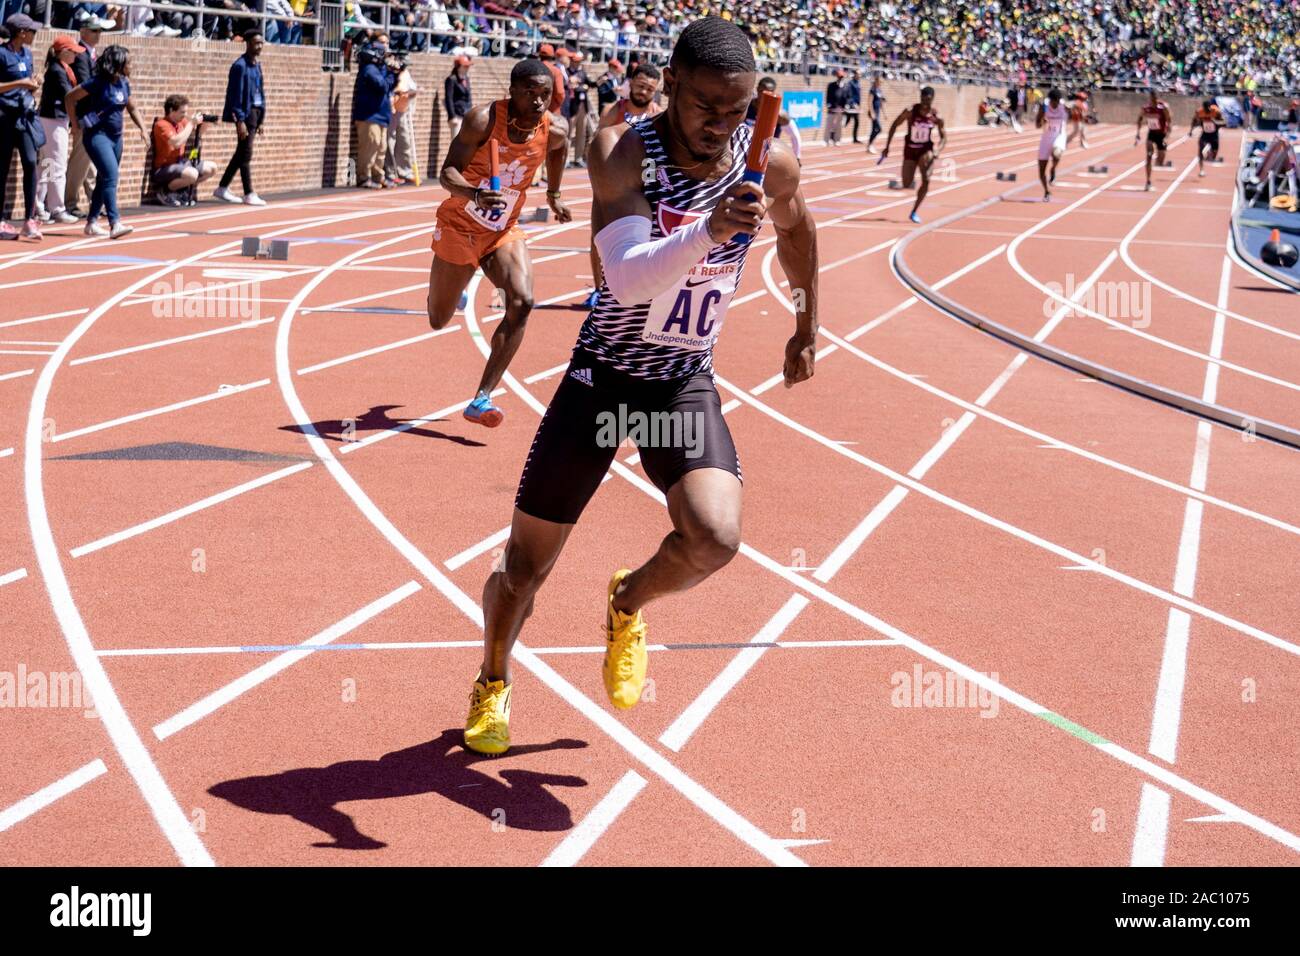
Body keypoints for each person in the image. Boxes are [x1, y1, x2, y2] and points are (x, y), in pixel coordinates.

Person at [461, 17, 818, 756]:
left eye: (739, 109)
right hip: (604, 384)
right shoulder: (623, 151)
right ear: (673, 83)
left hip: (679, 384)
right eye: (707, 107)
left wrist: (807, 323)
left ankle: (628, 601)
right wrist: (712, 231)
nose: (723, 125)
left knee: (715, 537)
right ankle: (493, 682)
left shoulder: (769, 164)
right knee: (526, 567)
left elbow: (796, 230)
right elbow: (622, 280)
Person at [425, 58, 571, 431]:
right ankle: (458, 282)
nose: (538, 102)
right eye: (530, 94)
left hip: (502, 229)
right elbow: (446, 173)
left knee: (523, 301)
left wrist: (553, 194)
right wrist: (473, 194)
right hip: (460, 225)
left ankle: (482, 397)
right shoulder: (483, 120)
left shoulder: (553, 129)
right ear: (512, 92)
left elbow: (559, 150)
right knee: (438, 320)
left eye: (545, 95)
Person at [585, 61, 663, 307]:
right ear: (630, 84)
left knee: (647, 237)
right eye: (639, 86)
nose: (643, 92)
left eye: (649, 89)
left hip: (644, 183)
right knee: (598, 237)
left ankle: (639, 289)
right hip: (612, 182)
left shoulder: (658, 113)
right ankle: (599, 289)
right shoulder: (613, 110)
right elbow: (597, 144)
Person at [64, 44, 148, 240]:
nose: (131, 66)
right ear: (118, 64)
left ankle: (92, 222)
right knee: (111, 175)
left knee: (104, 179)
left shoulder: (124, 83)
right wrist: (74, 124)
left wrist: (143, 128)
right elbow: (70, 97)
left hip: (116, 138)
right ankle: (114, 222)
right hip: (97, 136)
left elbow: (132, 108)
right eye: (129, 63)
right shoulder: (97, 83)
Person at [36, 34, 86, 226]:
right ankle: (57, 208)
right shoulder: (57, 70)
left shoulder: (63, 68)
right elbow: (69, 95)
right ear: (64, 52)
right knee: (56, 165)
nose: (76, 55)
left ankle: (40, 206)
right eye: (73, 52)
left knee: (47, 164)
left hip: (55, 120)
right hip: (53, 121)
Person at [0, 12, 42, 240]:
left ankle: (29, 219)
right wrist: (19, 83)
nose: (34, 35)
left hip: (24, 117)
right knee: (2, 168)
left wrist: (33, 84)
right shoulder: (2, 54)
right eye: (31, 31)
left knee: (30, 162)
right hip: (4, 118)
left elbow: (26, 86)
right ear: (21, 33)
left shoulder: (27, 54)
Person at [214, 29, 266, 206]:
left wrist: (261, 120)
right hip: (246, 113)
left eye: (261, 43)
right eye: (255, 43)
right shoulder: (240, 66)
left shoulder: (257, 65)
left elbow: (260, 92)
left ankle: (222, 188)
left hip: (256, 113)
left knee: (241, 153)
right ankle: (249, 192)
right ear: (248, 43)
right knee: (246, 154)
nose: (259, 46)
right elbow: (235, 95)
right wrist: (240, 120)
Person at [880, 85, 946, 224]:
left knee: (926, 180)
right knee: (907, 183)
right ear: (920, 98)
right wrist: (887, 146)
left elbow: (944, 137)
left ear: (932, 99)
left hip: (925, 149)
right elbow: (894, 125)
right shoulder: (910, 111)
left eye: (928, 100)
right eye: (923, 99)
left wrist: (937, 150)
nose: (925, 103)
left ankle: (914, 211)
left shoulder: (936, 117)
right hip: (910, 149)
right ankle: (912, 183)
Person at [64, 12, 104, 218]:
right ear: (83, 32)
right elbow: (86, 85)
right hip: (84, 115)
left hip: (92, 115)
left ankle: (95, 200)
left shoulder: (93, 54)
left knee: (88, 162)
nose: (99, 35)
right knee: (80, 161)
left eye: (100, 31)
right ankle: (69, 202)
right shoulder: (80, 55)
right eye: (95, 31)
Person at [151, 94, 216, 206]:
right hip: (163, 168)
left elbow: (198, 133)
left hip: (181, 164)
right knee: (192, 174)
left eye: (186, 112)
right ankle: (165, 191)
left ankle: (180, 191)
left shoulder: (182, 122)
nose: (185, 115)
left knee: (212, 168)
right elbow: (176, 142)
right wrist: (191, 123)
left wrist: (205, 121)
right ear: (172, 110)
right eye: (182, 112)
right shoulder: (161, 125)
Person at [351, 33, 398, 189]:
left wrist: (394, 71)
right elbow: (381, 85)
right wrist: (391, 74)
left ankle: (378, 176)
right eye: (381, 45)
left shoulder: (381, 68)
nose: (384, 49)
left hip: (382, 114)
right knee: (370, 147)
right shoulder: (369, 68)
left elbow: (390, 85)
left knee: (381, 148)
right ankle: (364, 177)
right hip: (369, 115)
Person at [385, 54, 418, 185]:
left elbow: (413, 89)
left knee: (404, 141)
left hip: (402, 110)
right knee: (389, 142)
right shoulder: (389, 73)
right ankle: (391, 173)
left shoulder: (405, 74)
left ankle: (405, 171)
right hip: (391, 110)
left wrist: (407, 93)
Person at [1136, 89, 1171, 191]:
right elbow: (1139, 119)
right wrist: (1138, 133)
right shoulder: (1146, 108)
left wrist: (1167, 136)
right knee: (1149, 155)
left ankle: (1158, 161)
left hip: (1161, 135)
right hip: (1152, 134)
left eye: (1155, 98)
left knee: (1160, 161)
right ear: (1150, 98)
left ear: (1158, 98)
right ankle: (1148, 181)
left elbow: (1169, 121)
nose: (1154, 100)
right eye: (1152, 98)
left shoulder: (1163, 108)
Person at [1036, 87, 1068, 201]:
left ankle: (1053, 169)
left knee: (1057, 152)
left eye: (1057, 102)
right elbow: (1037, 125)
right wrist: (1042, 121)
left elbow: (1073, 111)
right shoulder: (1044, 106)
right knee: (1041, 171)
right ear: (1049, 100)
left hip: (1059, 135)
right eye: (1053, 102)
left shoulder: (1064, 106)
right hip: (1046, 137)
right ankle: (1046, 191)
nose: (1055, 104)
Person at [1190, 98, 1224, 177]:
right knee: (1200, 149)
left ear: (1210, 107)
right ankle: (1201, 170)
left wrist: (1215, 121)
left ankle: (1211, 154)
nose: (1207, 110)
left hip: (1214, 134)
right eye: (1205, 108)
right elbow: (1194, 121)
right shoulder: (1199, 112)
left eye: (1208, 108)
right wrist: (1191, 130)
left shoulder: (1216, 112)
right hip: (1205, 133)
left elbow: (1223, 122)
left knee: (1214, 152)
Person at [444, 54, 472, 141]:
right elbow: (448, 99)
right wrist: (452, 116)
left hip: (466, 115)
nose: (468, 68)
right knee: (456, 142)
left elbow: (469, 97)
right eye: (465, 66)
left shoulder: (466, 79)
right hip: (456, 116)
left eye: (468, 66)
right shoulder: (451, 80)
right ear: (459, 67)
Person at [824, 67, 846, 145]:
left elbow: (847, 97)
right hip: (832, 109)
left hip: (841, 109)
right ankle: (826, 140)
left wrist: (845, 106)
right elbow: (828, 97)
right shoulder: (831, 85)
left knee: (838, 126)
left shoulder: (845, 87)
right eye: (839, 77)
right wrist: (829, 105)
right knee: (829, 124)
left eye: (842, 77)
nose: (840, 78)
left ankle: (837, 140)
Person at [865, 74, 884, 153]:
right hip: (874, 112)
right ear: (876, 81)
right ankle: (869, 145)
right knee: (879, 129)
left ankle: (870, 145)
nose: (880, 83)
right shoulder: (872, 90)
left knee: (874, 129)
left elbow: (880, 102)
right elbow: (869, 101)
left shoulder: (879, 90)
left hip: (878, 112)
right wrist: (872, 112)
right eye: (879, 82)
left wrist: (884, 113)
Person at [845, 68, 861, 143]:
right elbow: (849, 95)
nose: (859, 75)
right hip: (851, 106)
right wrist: (853, 103)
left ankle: (855, 138)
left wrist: (858, 104)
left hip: (856, 106)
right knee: (846, 121)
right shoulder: (850, 83)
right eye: (858, 74)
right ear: (854, 74)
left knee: (857, 122)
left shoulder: (858, 83)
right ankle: (834, 136)